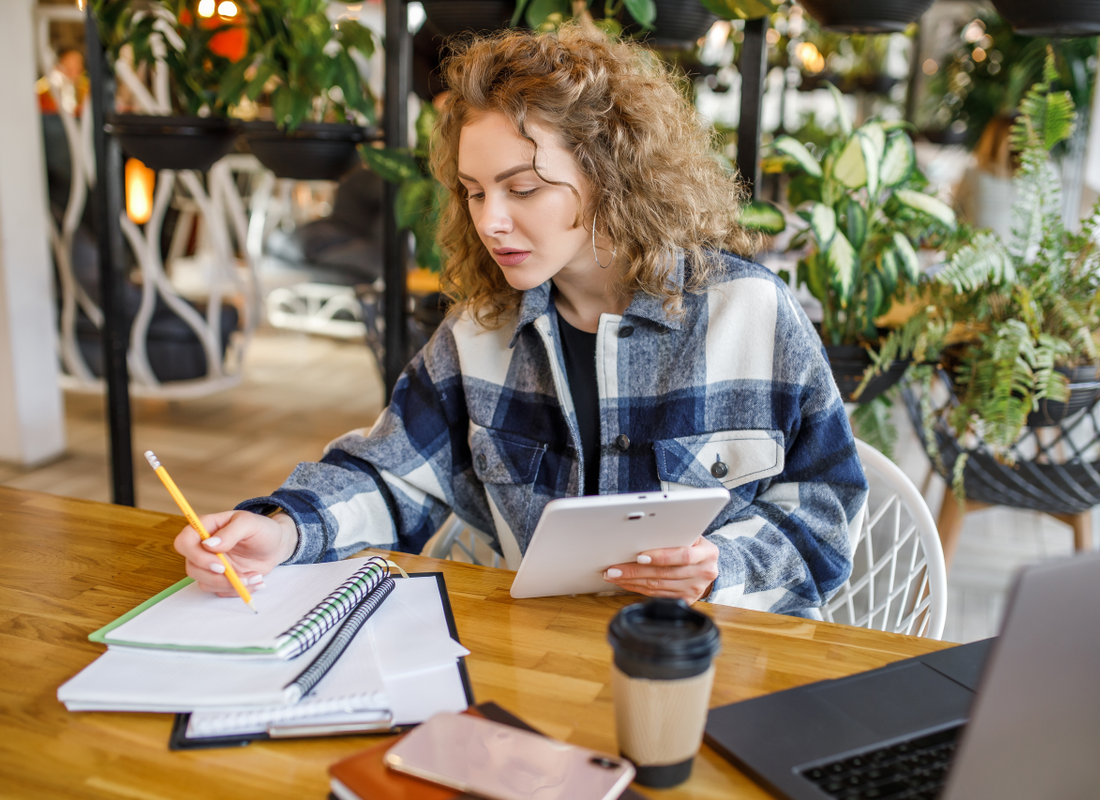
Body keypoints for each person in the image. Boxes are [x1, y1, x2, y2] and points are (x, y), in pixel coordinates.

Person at [174, 25, 868, 616]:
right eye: (474, 193)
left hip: (710, 666)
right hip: (538, 667)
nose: (490, 222)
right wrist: (284, 530)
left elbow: (827, 507)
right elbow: (391, 476)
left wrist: (722, 564)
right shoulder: (480, 332)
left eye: (524, 188)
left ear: (612, 173)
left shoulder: (749, 313)